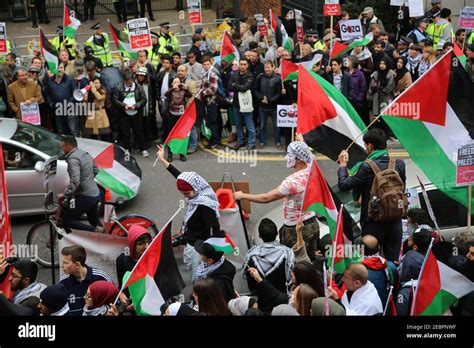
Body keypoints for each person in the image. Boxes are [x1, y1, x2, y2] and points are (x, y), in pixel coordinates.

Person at [235, 142, 321, 259]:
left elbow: (267, 198)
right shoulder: (313, 167)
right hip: (313, 224)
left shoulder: (292, 182)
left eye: (290, 155)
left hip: (296, 230)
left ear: (299, 160)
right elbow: (308, 154)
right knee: (309, 261)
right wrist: (300, 141)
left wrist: (243, 195)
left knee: (295, 263)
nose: (287, 157)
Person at [338, 129, 406, 262]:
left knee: (370, 261)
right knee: (393, 262)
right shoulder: (399, 164)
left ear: (370, 146)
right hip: (395, 222)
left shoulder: (366, 167)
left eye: (365, 146)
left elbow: (344, 185)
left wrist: (343, 165)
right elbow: (402, 189)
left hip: (373, 222)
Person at [156, 145, 223, 275]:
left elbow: (215, 228)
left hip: (197, 248)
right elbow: (179, 175)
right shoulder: (193, 188)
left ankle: (197, 294)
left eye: (186, 193)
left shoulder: (204, 206)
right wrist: (162, 159)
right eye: (182, 192)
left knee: (197, 275)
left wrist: (211, 253)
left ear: (195, 188)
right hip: (189, 240)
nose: (184, 195)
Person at [58, 136, 103, 232]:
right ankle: (104, 236)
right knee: (93, 220)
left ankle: (94, 231)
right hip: (95, 193)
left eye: (63, 147)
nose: (62, 149)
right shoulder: (85, 154)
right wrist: (87, 180)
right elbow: (95, 170)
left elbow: (75, 181)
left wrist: (65, 194)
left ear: (69, 146)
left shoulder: (73, 159)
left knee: (67, 221)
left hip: (86, 196)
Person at [243, 218, 295, 296]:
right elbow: (292, 276)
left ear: (260, 236)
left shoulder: (251, 256)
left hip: (263, 299)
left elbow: (250, 283)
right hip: (283, 296)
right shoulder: (288, 253)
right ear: (277, 233)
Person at [60, 245, 113, 316]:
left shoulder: (101, 277)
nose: (61, 265)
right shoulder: (63, 282)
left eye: (65, 263)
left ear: (77, 265)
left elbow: (115, 299)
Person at [396, 227, 432, 315]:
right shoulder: (433, 259)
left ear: (415, 247)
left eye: (411, 239)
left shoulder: (405, 294)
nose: (408, 239)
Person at [113, 70, 149, 157]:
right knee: (126, 133)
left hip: (136, 113)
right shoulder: (119, 88)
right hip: (124, 114)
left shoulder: (139, 87)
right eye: (127, 82)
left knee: (139, 131)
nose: (129, 84)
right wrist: (123, 105)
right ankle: (127, 149)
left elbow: (144, 99)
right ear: (124, 81)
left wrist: (136, 106)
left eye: (130, 82)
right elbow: (115, 100)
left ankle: (143, 149)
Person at [227, 58, 256, 150]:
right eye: (241, 64)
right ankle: (240, 141)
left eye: (244, 64)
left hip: (246, 103)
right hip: (236, 103)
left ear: (247, 66)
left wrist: (235, 85)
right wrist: (236, 86)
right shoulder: (234, 74)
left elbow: (245, 88)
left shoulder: (250, 75)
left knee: (249, 124)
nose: (242, 66)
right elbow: (229, 87)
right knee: (238, 124)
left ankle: (252, 143)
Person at [361, 235, 398, 306]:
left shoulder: (358, 271)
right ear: (379, 248)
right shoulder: (390, 266)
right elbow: (395, 289)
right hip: (386, 308)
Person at [254, 60, 282, 149]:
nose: (267, 69)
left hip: (274, 106)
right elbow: (255, 90)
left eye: (268, 67)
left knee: (276, 126)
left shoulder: (278, 78)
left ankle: (278, 142)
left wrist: (270, 100)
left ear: (273, 67)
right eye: (265, 67)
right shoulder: (260, 77)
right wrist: (261, 98)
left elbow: (279, 93)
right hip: (262, 106)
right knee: (262, 125)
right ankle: (262, 141)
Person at [45, 64, 78, 136]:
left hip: (70, 108)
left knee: (73, 130)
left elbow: (75, 93)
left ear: (64, 69)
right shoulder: (50, 81)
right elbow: (47, 93)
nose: (59, 69)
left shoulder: (70, 80)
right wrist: (50, 103)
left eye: (61, 67)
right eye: (57, 68)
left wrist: (68, 104)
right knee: (61, 131)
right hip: (57, 109)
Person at [164, 77, 192, 162]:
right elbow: (165, 94)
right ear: (172, 83)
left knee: (181, 135)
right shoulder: (171, 91)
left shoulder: (183, 90)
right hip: (172, 114)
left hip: (181, 116)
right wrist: (173, 88)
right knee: (171, 135)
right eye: (175, 82)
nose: (177, 83)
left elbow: (190, 95)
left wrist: (186, 88)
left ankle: (181, 153)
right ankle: (170, 153)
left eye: (178, 82)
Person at [200, 56, 221, 149]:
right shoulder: (205, 74)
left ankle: (215, 141)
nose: (206, 66)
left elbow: (213, 89)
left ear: (210, 64)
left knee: (213, 121)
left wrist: (203, 92)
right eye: (204, 64)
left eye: (208, 64)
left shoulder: (212, 74)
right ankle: (212, 139)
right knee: (209, 121)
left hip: (212, 101)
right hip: (206, 102)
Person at [156, 55, 177, 140]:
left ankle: (170, 138)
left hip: (170, 101)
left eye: (167, 63)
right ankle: (165, 137)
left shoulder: (174, 75)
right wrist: (158, 97)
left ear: (171, 64)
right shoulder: (161, 74)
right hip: (162, 100)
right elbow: (158, 86)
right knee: (164, 119)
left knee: (170, 120)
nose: (164, 64)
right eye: (163, 62)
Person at [345, 56, 368, 125]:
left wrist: (359, 98)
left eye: (348, 61)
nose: (346, 62)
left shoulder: (360, 74)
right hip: (347, 100)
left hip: (356, 101)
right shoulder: (345, 73)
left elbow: (363, 88)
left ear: (353, 63)